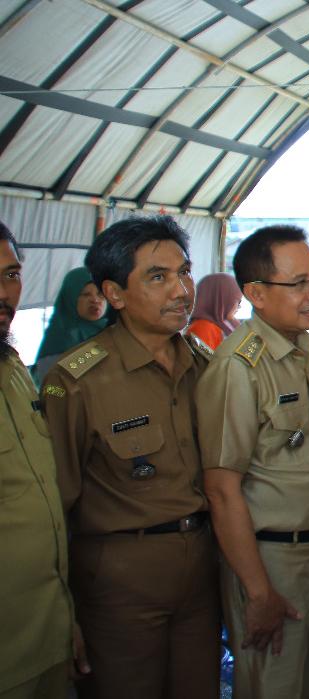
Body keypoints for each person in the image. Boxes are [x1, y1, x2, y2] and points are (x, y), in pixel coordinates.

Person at [43, 216, 220, 698]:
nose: (181, 290)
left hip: (202, 568)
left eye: (184, 272)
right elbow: (54, 506)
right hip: (119, 580)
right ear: (114, 294)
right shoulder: (77, 381)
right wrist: (62, 609)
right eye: (157, 277)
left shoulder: (205, 366)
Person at [198, 225, 309, 699]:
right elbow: (222, 490)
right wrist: (258, 592)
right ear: (256, 293)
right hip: (270, 562)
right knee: (272, 687)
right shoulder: (239, 368)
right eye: (299, 283)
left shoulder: (300, 353)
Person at [0, 221, 83, 699]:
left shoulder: (14, 368)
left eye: (11, 275)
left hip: (46, 635)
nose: (4, 292)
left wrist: (66, 621)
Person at [33, 266, 107, 384]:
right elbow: (51, 387)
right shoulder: (60, 338)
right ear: (70, 298)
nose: (95, 300)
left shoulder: (113, 329)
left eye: (100, 294)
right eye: (86, 294)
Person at [187, 272, 242, 349]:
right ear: (222, 300)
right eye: (237, 301)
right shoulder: (204, 329)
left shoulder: (224, 325)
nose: (239, 307)